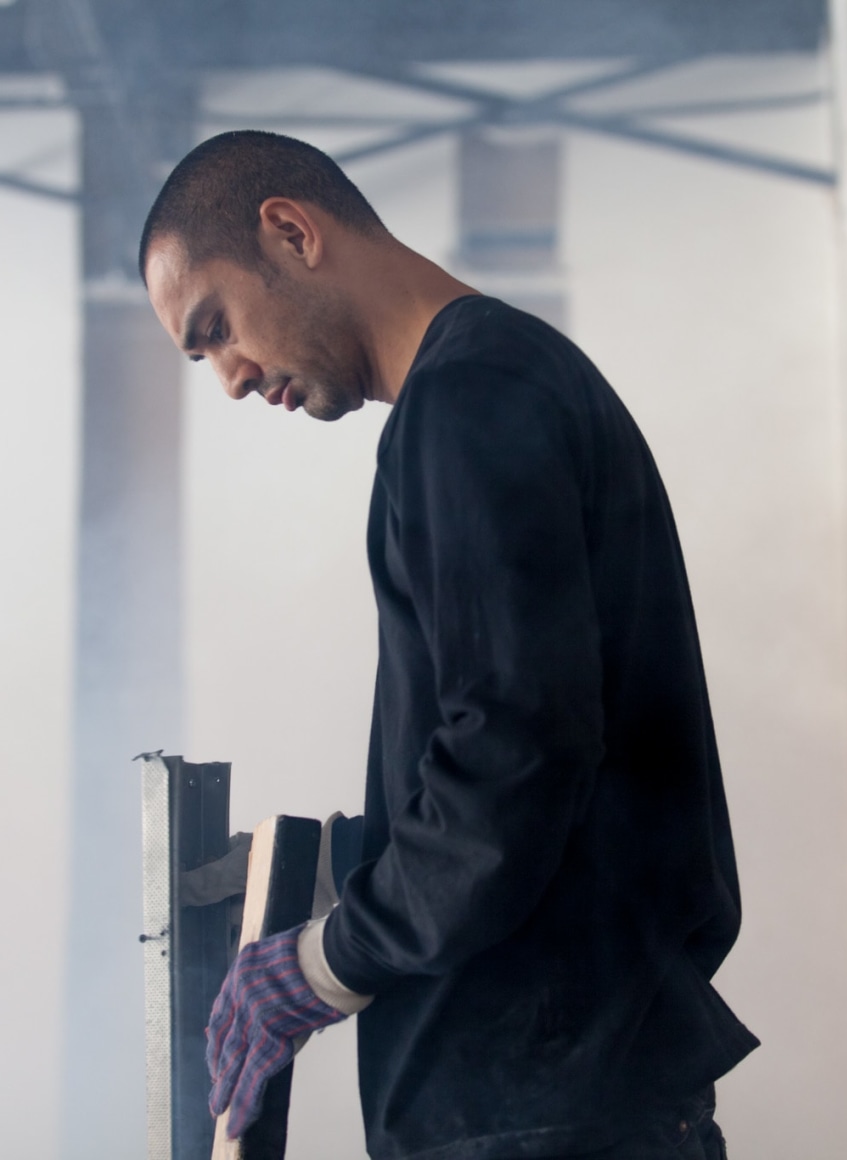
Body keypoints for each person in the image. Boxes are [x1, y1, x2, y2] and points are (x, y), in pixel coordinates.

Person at [139, 130, 755, 1160]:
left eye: (217, 329)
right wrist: (334, 865)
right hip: (567, 1097)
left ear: (289, 231)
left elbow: (514, 753)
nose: (232, 381)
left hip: (539, 1114)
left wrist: (326, 960)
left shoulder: (469, 405)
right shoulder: (508, 384)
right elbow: (538, 749)